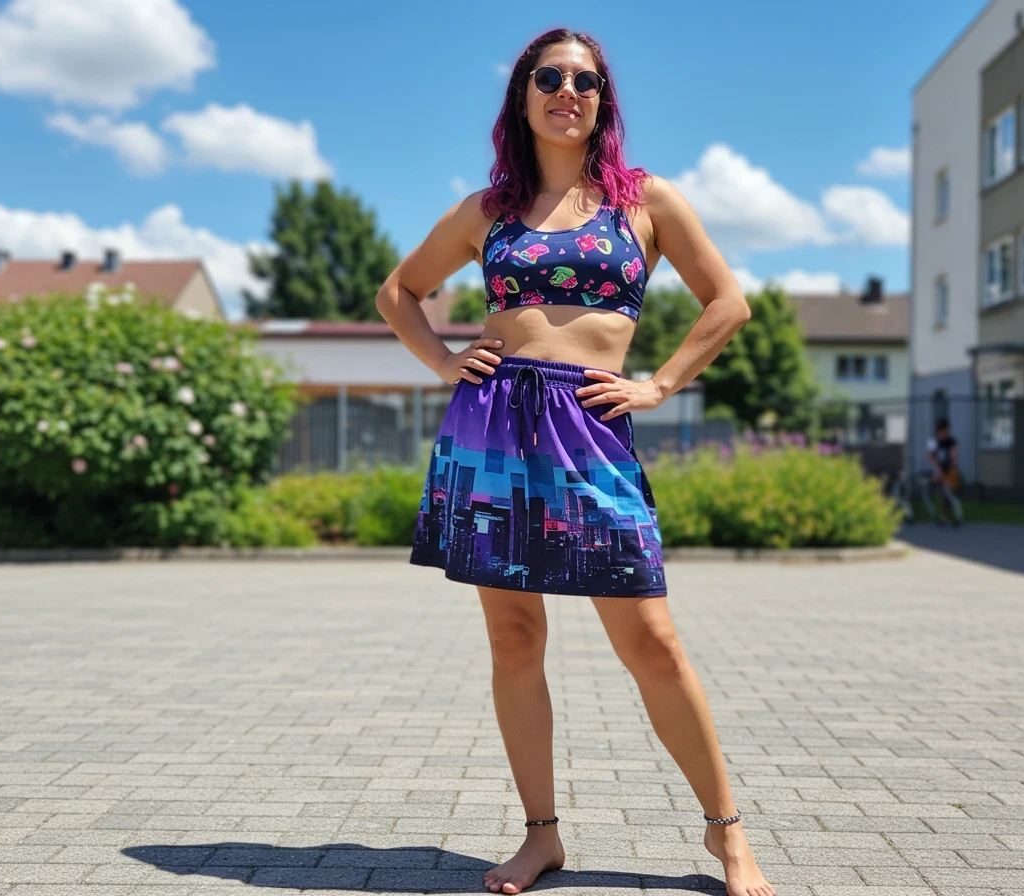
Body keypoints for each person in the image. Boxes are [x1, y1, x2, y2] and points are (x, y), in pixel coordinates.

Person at [375, 29, 771, 896]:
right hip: (494, 425)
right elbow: (397, 292)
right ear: (522, 96)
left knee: (654, 642)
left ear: (603, 99)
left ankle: (727, 835)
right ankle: (542, 836)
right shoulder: (489, 210)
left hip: (590, 428)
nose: (567, 90)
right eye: (547, 77)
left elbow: (728, 302)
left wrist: (660, 384)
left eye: (583, 79)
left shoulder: (646, 201)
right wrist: (445, 362)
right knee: (514, 638)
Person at [925, 418, 963, 526]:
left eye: (945, 431)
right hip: (939, 471)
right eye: (941, 432)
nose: (943, 434)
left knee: (949, 493)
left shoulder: (951, 441)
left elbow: (954, 456)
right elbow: (930, 456)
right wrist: (937, 469)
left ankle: (950, 515)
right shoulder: (934, 441)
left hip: (949, 471)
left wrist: (952, 469)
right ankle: (943, 515)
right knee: (940, 492)